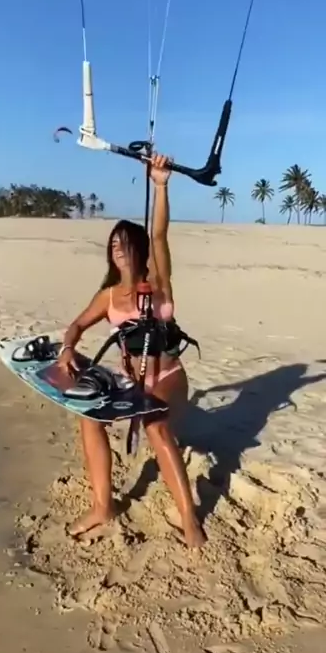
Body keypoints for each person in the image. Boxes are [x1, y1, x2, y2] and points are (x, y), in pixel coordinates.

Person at [58, 154, 205, 548]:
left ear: (137, 249)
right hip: (131, 383)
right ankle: (103, 506)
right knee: (88, 417)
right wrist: (68, 349)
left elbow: (159, 235)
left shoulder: (158, 282)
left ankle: (189, 519)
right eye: (113, 244)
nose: (118, 249)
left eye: (124, 243)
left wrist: (160, 185)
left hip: (167, 377)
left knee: (156, 425)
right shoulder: (107, 296)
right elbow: (76, 326)